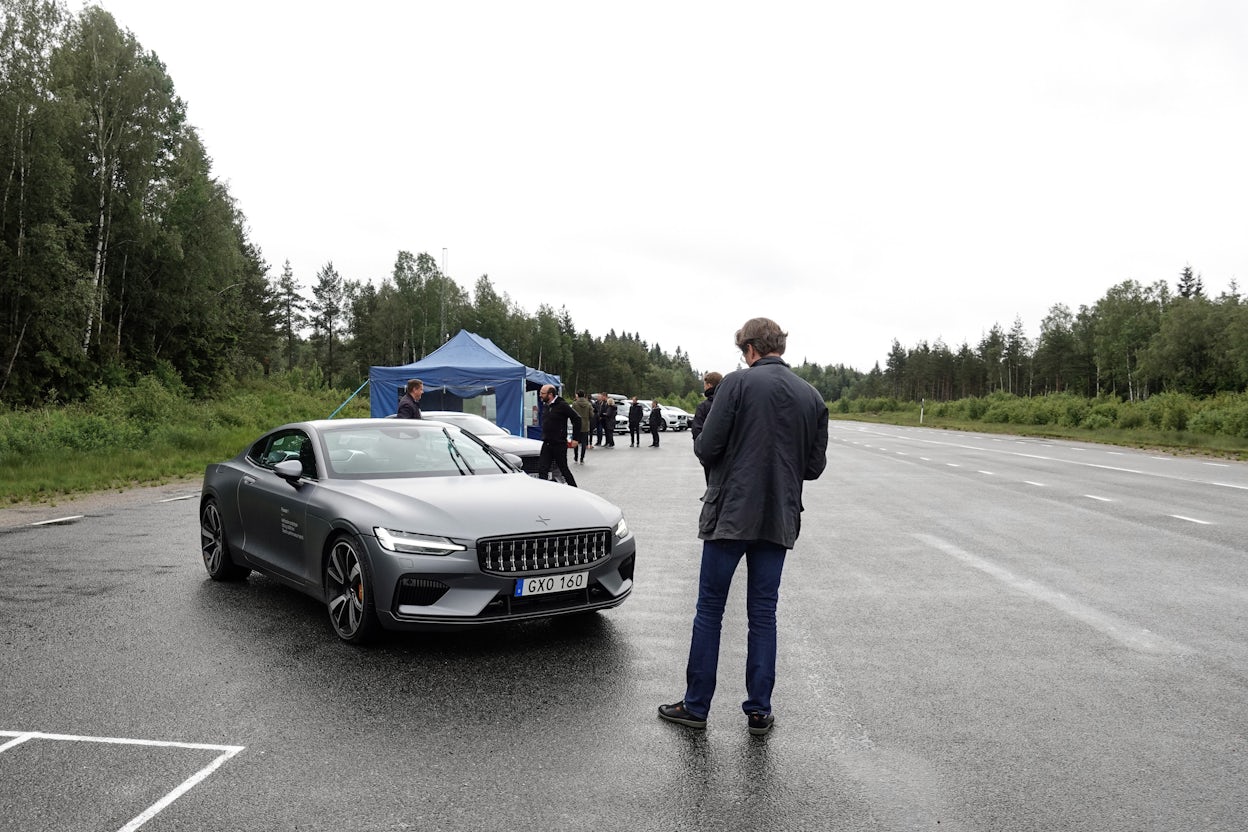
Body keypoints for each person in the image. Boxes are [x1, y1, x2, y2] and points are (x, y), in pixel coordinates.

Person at [658, 317, 828, 736]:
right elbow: (814, 466)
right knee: (763, 614)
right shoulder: (812, 396)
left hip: (729, 516)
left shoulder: (735, 384)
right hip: (779, 517)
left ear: (750, 349)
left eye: (742, 351)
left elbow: (706, 445)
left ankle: (696, 706)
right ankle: (759, 710)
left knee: (710, 611)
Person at [537, 384, 580, 487]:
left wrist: (575, 439)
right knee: (542, 469)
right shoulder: (547, 405)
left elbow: (577, 419)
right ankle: (542, 492)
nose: (540, 395)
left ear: (550, 394)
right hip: (547, 443)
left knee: (563, 469)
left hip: (559, 444)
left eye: (542, 393)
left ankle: (575, 490)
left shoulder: (562, 405)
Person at [691, 371, 723, 484]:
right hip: (729, 458)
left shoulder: (703, 407)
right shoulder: (730, 403)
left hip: (710, 456)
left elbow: (696, 431)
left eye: (704, 385)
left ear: (709, 385)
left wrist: (702, 455)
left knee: (712, 487)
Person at [571, 390, 594, 464]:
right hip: (585, 425)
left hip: (576, 425)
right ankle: (582, 458)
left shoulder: (574, 404)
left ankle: (576, 457)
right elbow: (591, 415)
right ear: (584, 395)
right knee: (584, 443)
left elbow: (571, 414)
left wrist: (573, 422)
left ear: (577, 395)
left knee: (576, 441)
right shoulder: (588, 404)